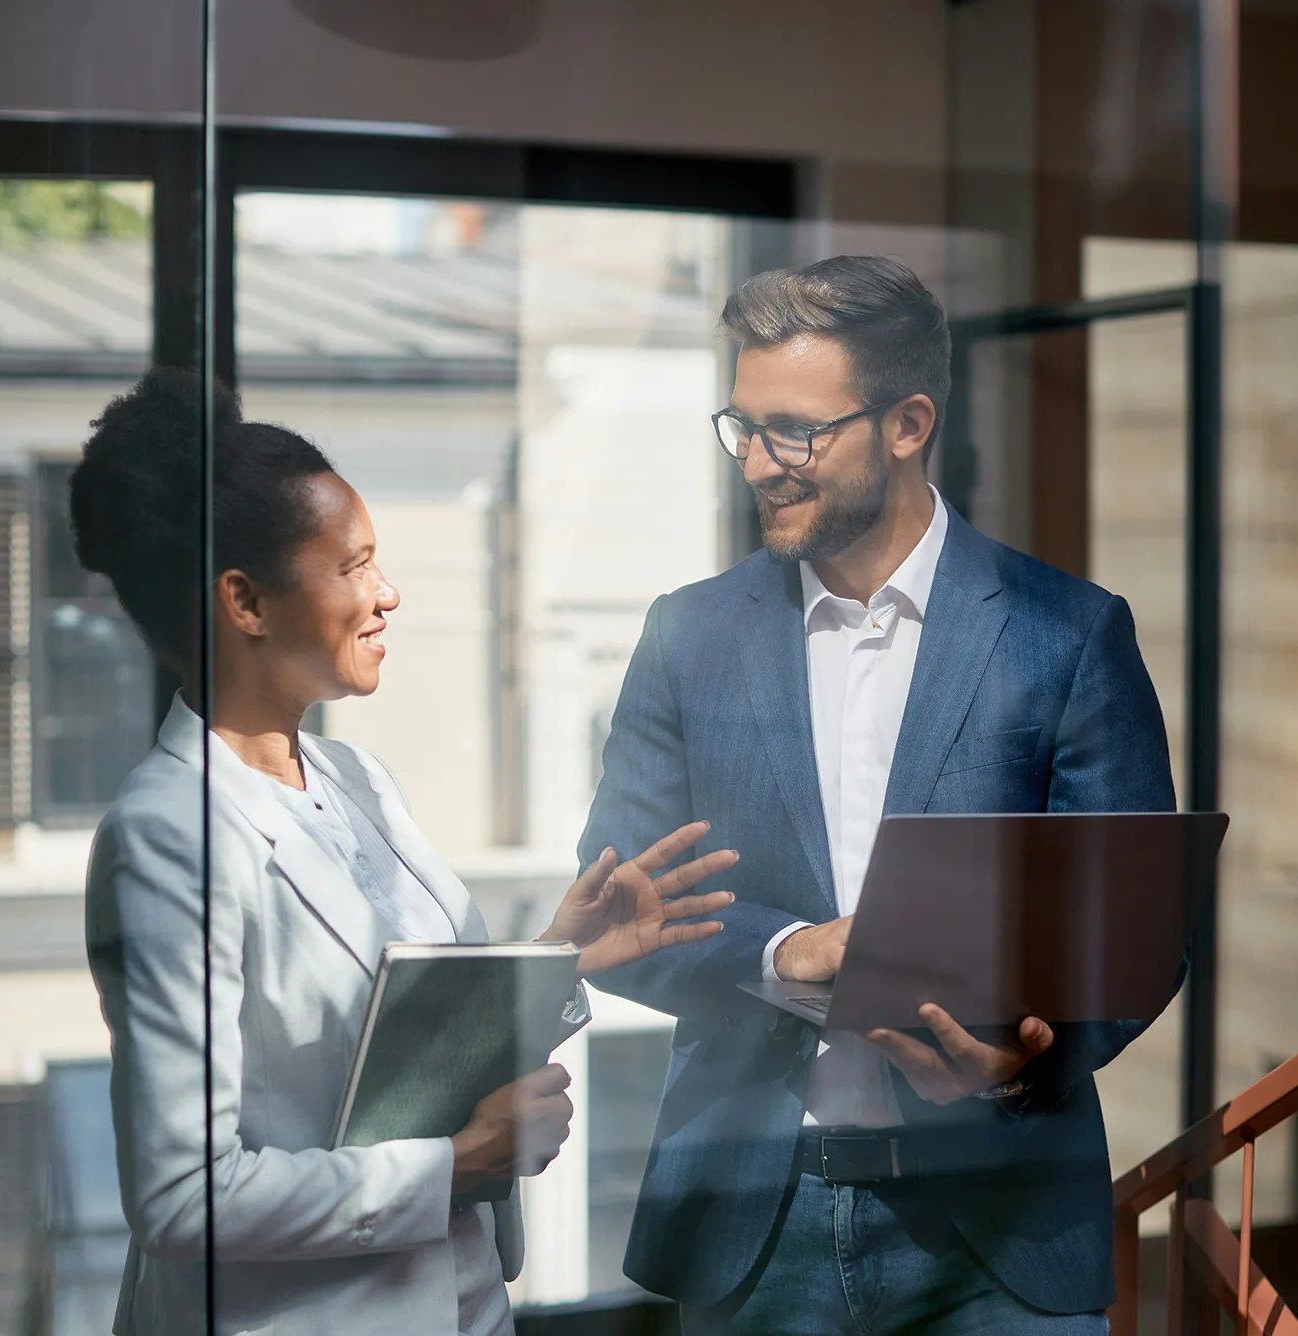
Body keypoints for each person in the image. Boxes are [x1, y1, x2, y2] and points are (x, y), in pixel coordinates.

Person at [578, 256, 1176, 1334]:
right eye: (742, 426)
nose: (760, 463)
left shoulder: (1065, 631)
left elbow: (1136, 927)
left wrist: (1016, 1059)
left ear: (906, 423)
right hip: (754, 1231)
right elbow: (618, 904)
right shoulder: (687, 634)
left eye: (795, 431)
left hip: (1000, 1235)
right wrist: (781, 949)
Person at [72, 369, 738, 1336]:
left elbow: (413, 1052)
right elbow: (183, 1197)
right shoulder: (167, 836)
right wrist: (455, 1165)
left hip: (461, 1305)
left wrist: (562, 954)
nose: (387, 594)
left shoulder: (359, 783)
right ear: (245, 601)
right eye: (352, 567)